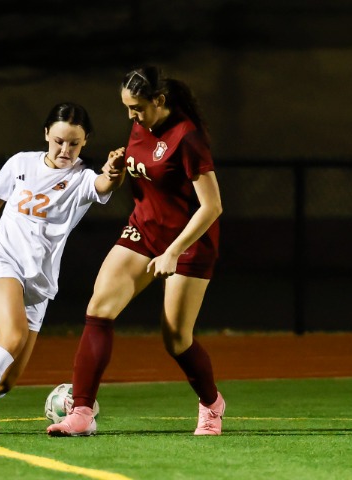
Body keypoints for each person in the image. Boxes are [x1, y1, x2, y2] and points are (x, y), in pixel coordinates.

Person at [47, 66, 225, 437]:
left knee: (176, 339)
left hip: (188, 242)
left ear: (159, 100)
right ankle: (82, 412)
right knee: (99, 308)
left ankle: (212, 404)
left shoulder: (187, 138)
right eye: (127, 107)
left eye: (137, 108)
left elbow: (212, 207)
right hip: (143, 231)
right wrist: (116, 168)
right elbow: (143, 171)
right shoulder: (141, 125)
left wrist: (173, 252)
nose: (131, 115)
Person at [0, 102, 125, 435]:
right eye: (58, 141)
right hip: (1, 260)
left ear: (85, 141)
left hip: (38, 284)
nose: (65, 149)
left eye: (74, 143)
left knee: (5, 383)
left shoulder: (81, 178)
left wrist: (113, 171)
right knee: (12, 336)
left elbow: (104, 185)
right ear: (46, 134)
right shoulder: (21, 163)